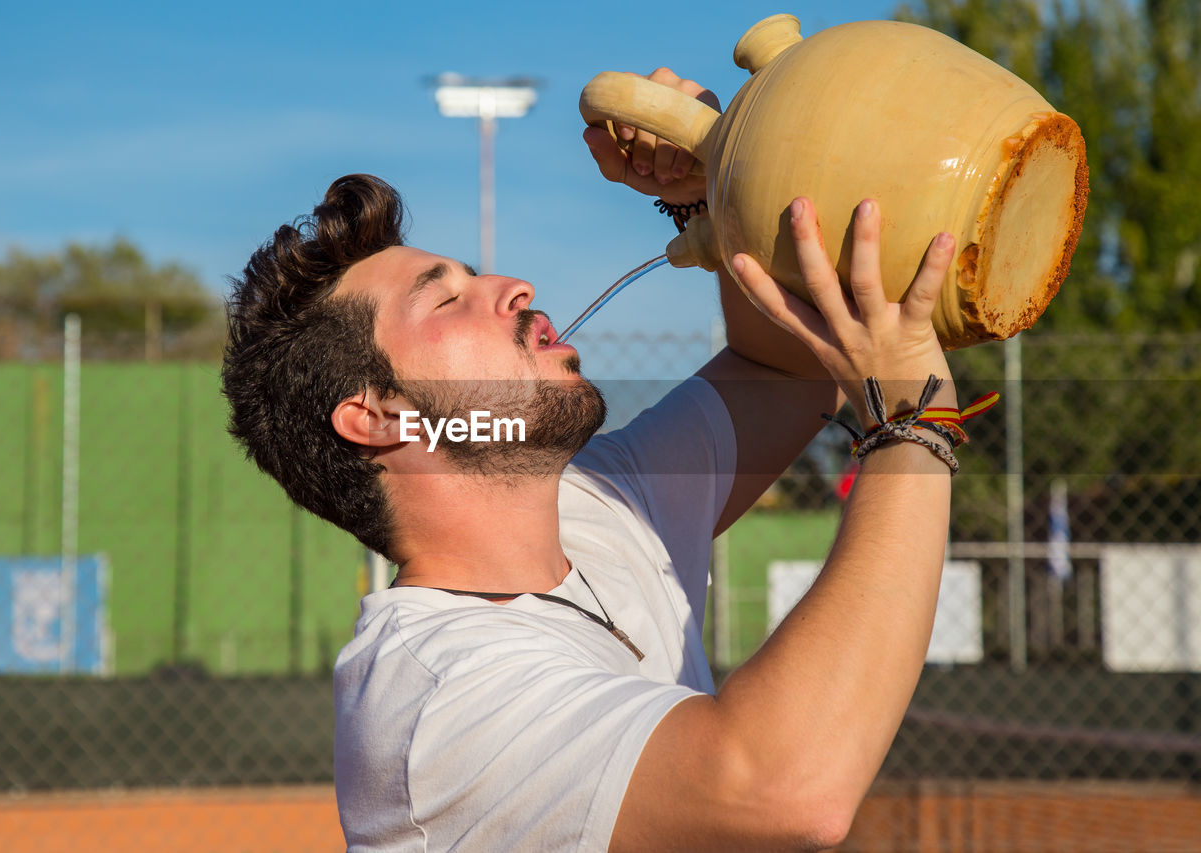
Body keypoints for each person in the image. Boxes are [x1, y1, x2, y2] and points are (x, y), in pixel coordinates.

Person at [222, 68, 963, 852]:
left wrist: (717, 190)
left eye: (477, 276)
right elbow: (782, 787)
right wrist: (913, 423)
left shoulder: (603, 501)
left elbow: (785, 370)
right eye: (445, 298)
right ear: (378, 416)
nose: (513, 288)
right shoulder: (435, 698)